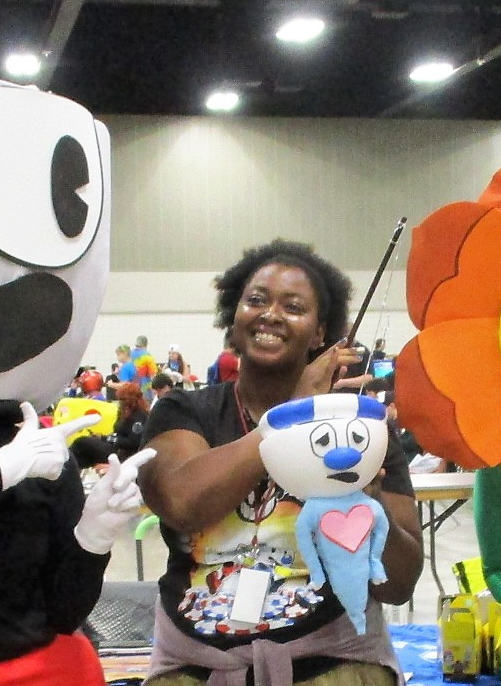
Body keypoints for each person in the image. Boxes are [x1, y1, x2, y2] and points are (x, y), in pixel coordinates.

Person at [138, 239, 422, 685]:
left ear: (321, 334)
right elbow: (183, 503)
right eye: (256, 301)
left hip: (332, 660)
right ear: (233, 319)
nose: (271, 315)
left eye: (293, 307)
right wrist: (290, 415)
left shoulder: (358, 429)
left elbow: (399, 585)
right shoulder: (184, 410)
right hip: (198, 664)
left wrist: (372, 512)